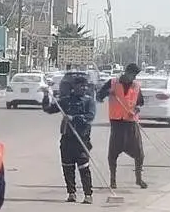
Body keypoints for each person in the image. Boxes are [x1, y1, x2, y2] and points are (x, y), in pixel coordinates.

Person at [41, 72, 97, 203]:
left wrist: (74, 118)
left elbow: (90, 117)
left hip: (82, 139)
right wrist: (46, 95)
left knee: (84, 167)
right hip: (67, 138)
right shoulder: (66, 101)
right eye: (80, 86)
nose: (83, 88)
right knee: (67, 167)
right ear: (74, 87)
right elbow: (48, 109)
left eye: (85, 86)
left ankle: (88, 195)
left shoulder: (89, 101)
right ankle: (71, 193)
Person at [95, 63, 147, 189]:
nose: (133, 77)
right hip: (117, 123)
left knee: (139, 154)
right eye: (132, 74)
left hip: (131, 123)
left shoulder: (136, 86)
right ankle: (113, 180)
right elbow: (99, 97)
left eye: (135, 75)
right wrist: (108, 92)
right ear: (126, 72)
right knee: (112, 154)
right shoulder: (112, 83)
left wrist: (135, 111)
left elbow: (140, 103)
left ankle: (138, 179)